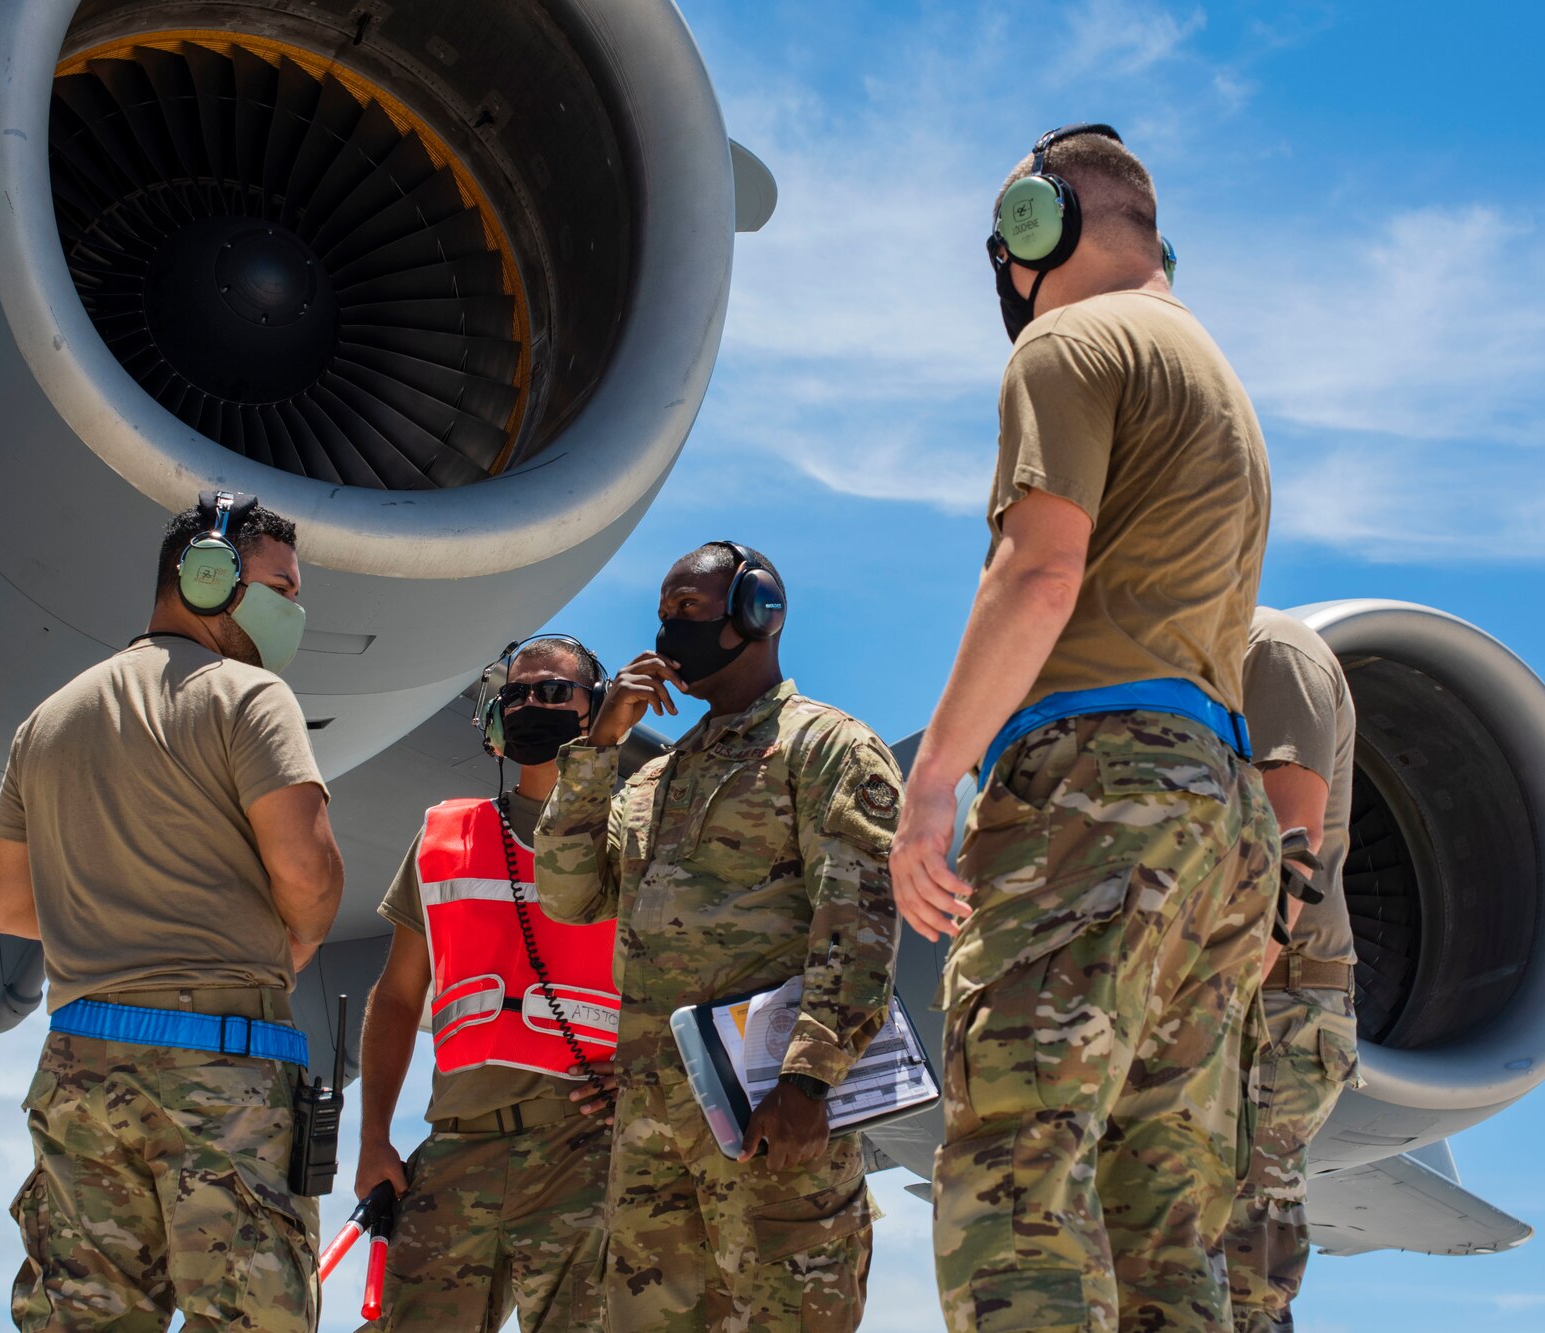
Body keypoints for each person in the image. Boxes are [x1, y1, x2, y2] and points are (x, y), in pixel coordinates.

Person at [889, 124, 1279, 1333]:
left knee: (1018, 1169)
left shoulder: (1071, 343)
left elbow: (1037, 575)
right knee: (1158, 1208)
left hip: (1095, 796)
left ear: (1031, 229)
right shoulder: (1213, 374)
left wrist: (934, 778)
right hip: (1215, 809)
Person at [0, 491, 343, 1332]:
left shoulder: (46, 721)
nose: (294, 610)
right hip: (221, 1072)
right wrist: (285, 936)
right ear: (206, 576)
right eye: (281, 589)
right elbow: (307, 872)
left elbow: (8, 904)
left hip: (78, 1070)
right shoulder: (248, 696)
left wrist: (115, 920)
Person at [535, 541, 904, 1332]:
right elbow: (566, 896)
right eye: (663, 613)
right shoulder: (652, 779)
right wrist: (597, 750)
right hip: (652, 1137)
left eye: (690, 610)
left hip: (772, 1123)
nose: (668, 632)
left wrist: (809, 1082)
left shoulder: (827, 748)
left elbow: (859, 921)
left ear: (758, 611)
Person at [351, 634, 621, 1332]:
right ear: (494, 724)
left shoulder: (640, 839)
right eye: (518, 694)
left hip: (583, 1151)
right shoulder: (445, 836)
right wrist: (374, 1137)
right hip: (455, 1148)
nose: (533, 703)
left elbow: (686, 986)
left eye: (554, 691)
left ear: (597, 710)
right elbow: (398, 995)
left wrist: (649, 1072)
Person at [1221, 608, 1360, 1333]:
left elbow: (1288, 844)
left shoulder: (1269, 651)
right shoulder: (1189, 654)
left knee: (1244, 1278)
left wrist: (1216, 1001)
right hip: (1235, 996)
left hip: (1273, 1000)